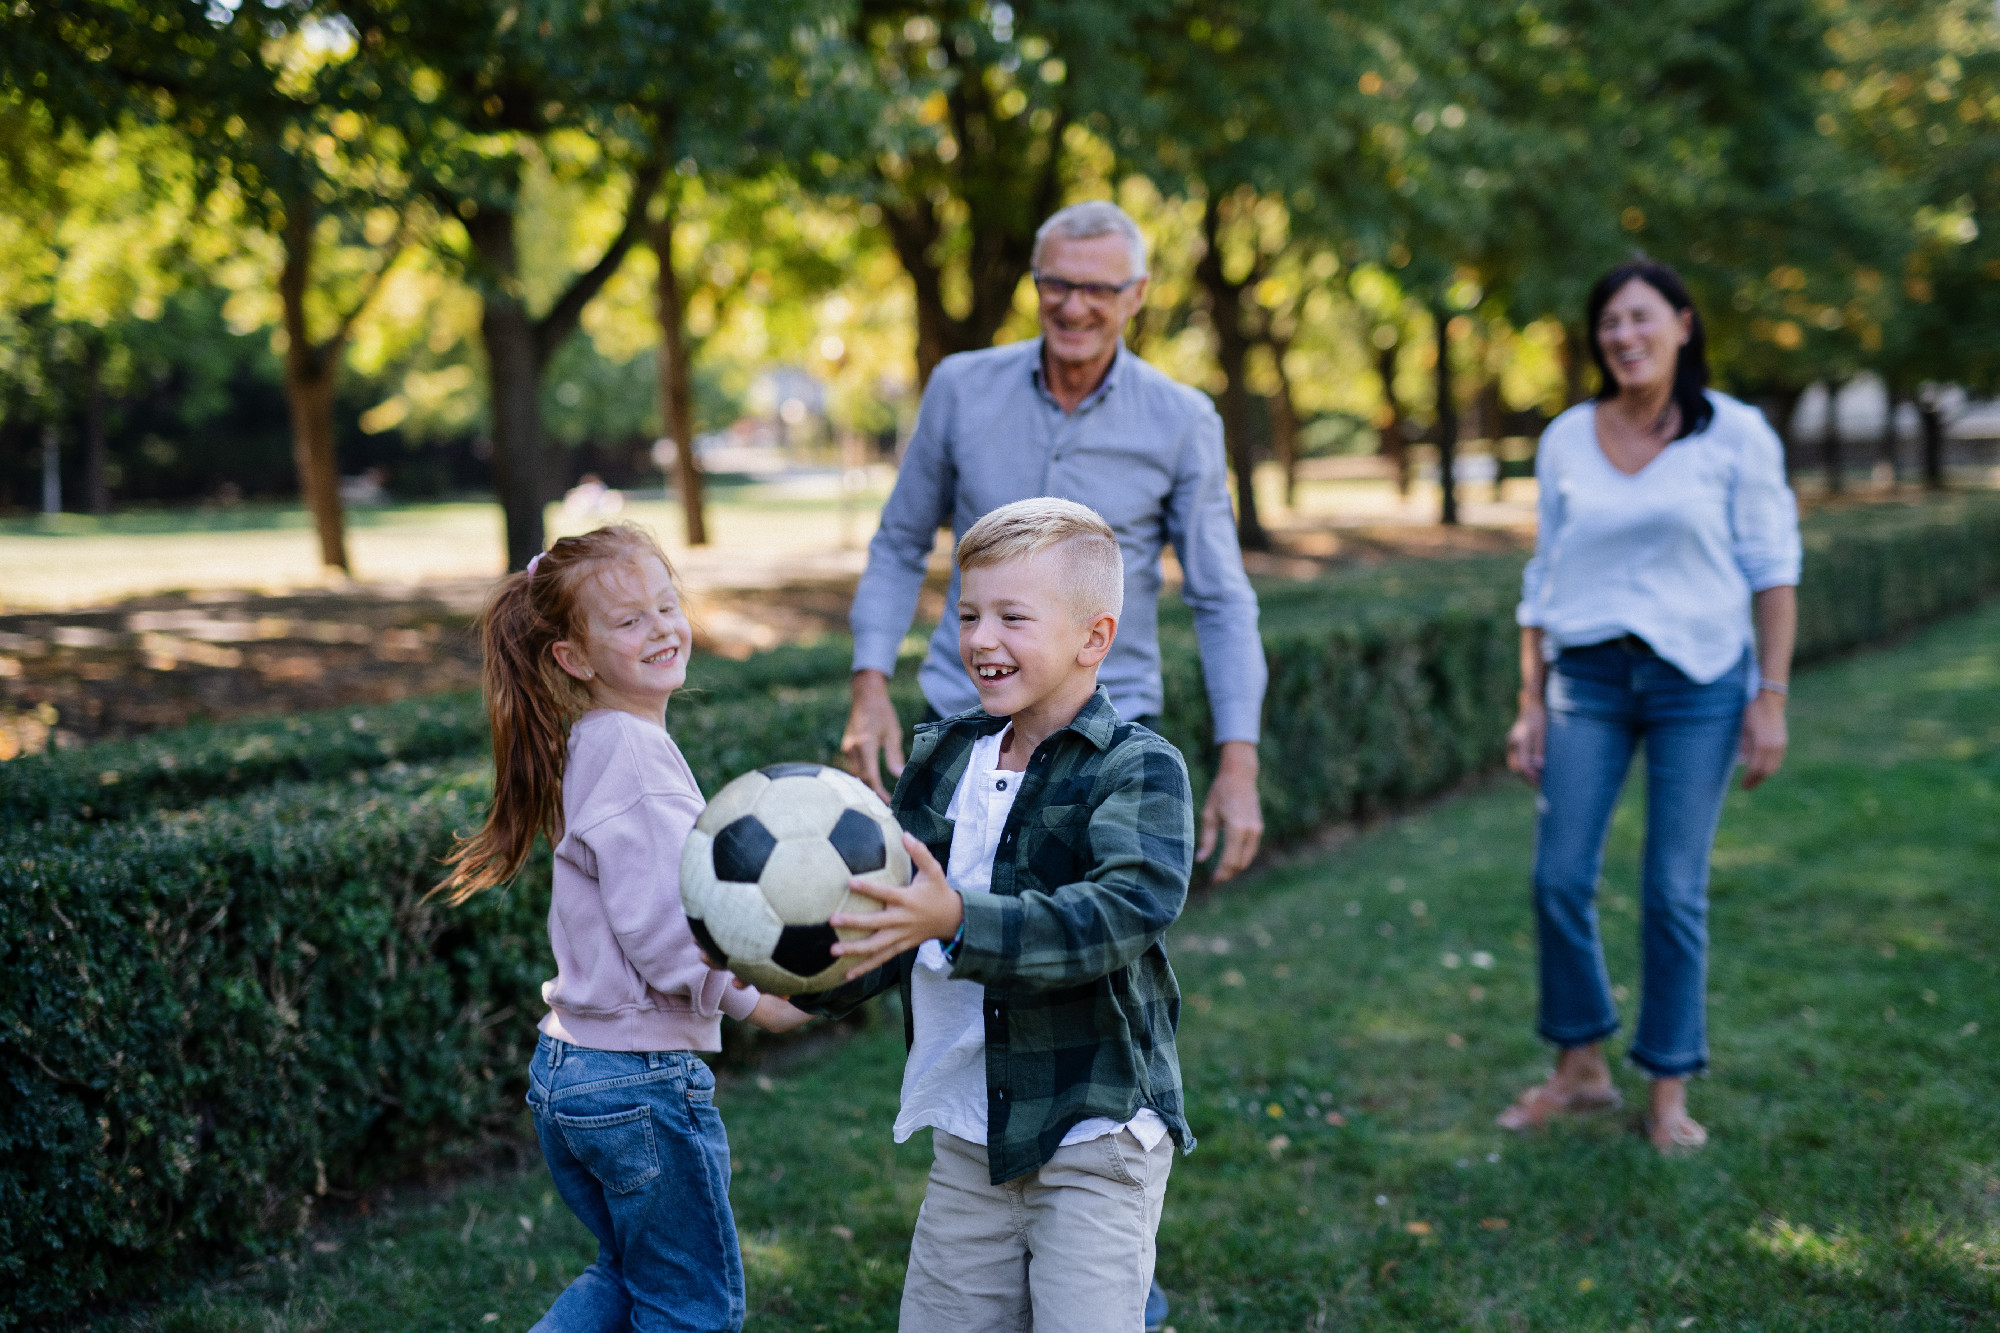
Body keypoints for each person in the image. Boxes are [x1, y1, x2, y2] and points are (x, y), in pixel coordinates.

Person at [802, 498, 1195, 1332]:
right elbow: (893, 918)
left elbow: (1115, 915)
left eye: (1013, 617)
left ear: (1095, 637)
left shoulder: (1139, 769)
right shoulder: (944, 755)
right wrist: (797, 978)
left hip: (1093, 1130)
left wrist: (957, 921)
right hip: (969, 1133)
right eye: (968, 614)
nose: (982, 639)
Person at [436, 524, 810, 1333]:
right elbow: (665, 928)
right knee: (692, 1304)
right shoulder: (634, 758)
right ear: (575, 657)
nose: (662, 628)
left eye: (667, 606)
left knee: (629, 1277)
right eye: (630, 620)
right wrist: (751, 996)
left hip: (572, 1069)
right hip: (635, 1082)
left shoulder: (597, 742)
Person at [843, 199, 1267, 889]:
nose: (1074, 307)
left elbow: (1221, 600)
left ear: (1137, 295)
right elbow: (898, 544)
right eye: (1057, 284)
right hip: (961, 717)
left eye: (1099, 289)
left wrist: (1240, 763)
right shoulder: (959, 388)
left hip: (1104, 735)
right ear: (1036, 282)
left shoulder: (1182, 420)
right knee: (922, 942)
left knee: (1078, 952)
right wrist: (870, 685)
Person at [1498, 258, 1801, 1155]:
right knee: (1558, 877)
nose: (1623, 337)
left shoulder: (1736, 435)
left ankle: (1668, 1088)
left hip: (1699, 682)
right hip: (1585, 679)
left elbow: (1773, 570)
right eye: (1609, 324)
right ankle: (1582, 1067)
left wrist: (1770, 697)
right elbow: (1542, 580)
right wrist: (1530, 701)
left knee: (1672, 887)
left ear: (1681, 323)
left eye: (1640, 319)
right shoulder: (1565, 439)